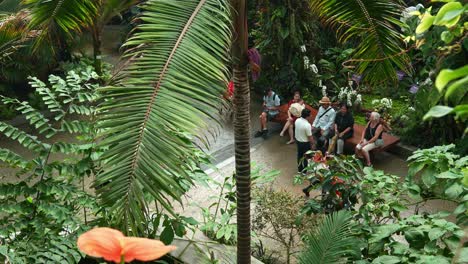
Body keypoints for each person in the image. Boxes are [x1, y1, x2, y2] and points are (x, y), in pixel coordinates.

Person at [295, 108, 314, 173]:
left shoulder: (297, 120)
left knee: (299, 156)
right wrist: (312, 144)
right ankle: (304, 171)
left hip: (298, 141)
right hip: (305, 143)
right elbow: (310, 137)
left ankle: (300, 170)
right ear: (307, 116)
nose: (311, 116)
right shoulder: (307, 125)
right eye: (310, 115)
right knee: (306, 157)